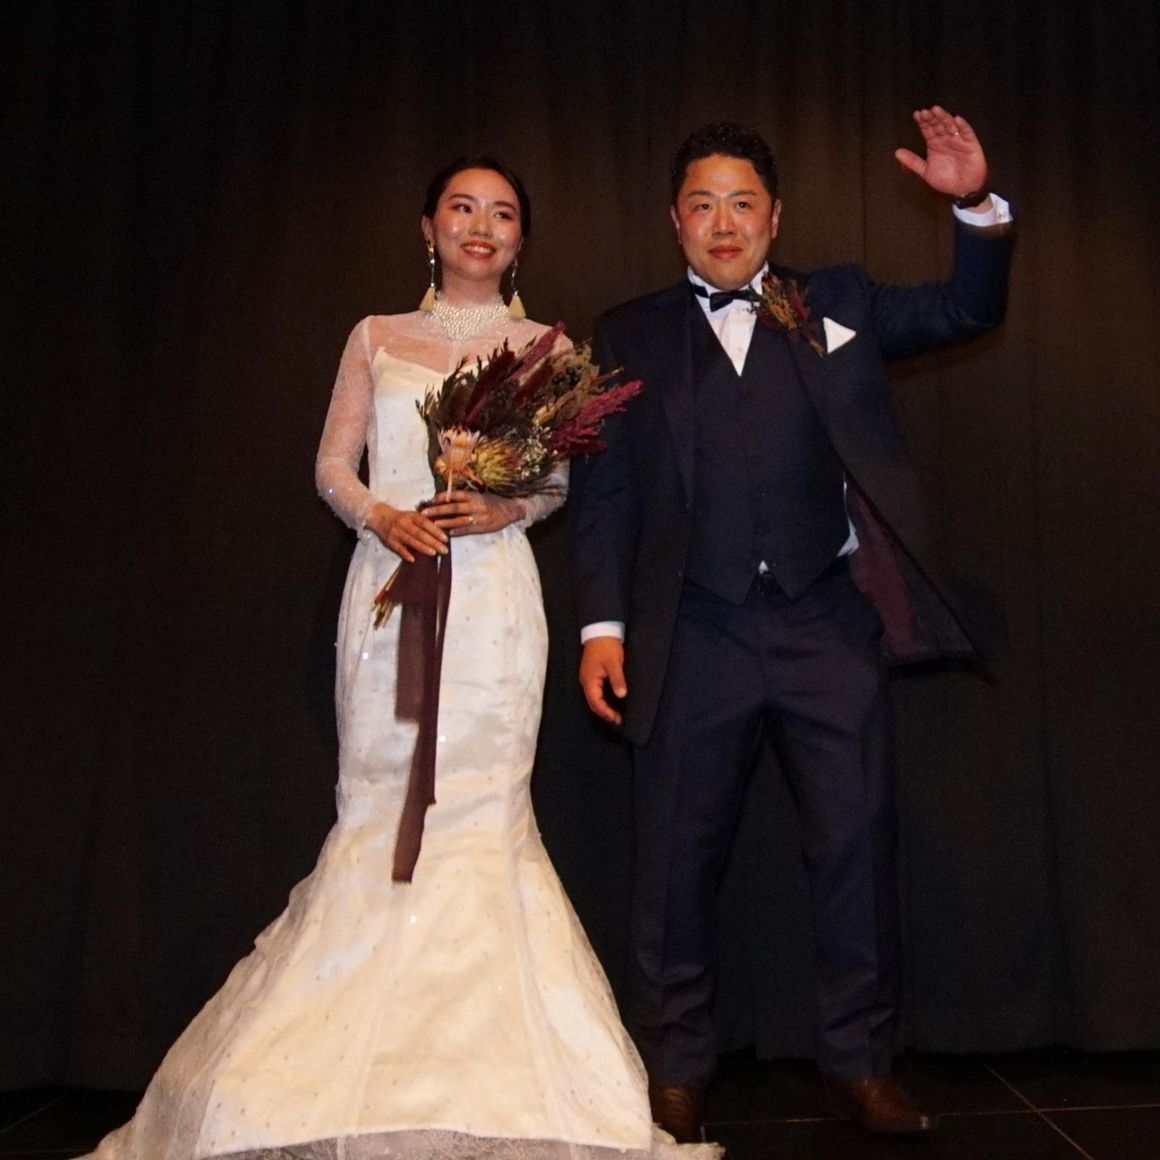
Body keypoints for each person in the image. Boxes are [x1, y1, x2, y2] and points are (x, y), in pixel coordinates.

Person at [78, 157, 719, 1160]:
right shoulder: (375, 336)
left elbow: (557, 487)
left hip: (493, 604)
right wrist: (383, 515)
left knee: (484, 810)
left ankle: (505, 1083)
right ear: (428, 226)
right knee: (379, 808)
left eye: (502, 213)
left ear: (521, 239)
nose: (481, 226)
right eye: (462, 208)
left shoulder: (549, 349)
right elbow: (331, 464)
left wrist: (502, 507)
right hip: (388, 590)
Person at [570, 108, 1015, 1141]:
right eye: (702, 205)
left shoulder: (837, 302)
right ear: (674, 221)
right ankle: (676, 1065)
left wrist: (973, 206)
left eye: (742, 203)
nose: (723, 223)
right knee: (674, 861)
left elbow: (965, 307)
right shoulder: (628, 332)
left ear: (775, 217)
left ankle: (859, 1061)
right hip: (693, 630)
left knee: (855, 848)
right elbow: (605, 496)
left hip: (825, 624)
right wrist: (601, 627)